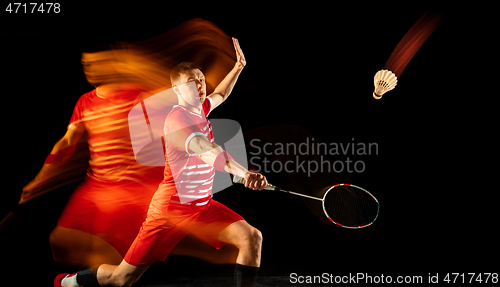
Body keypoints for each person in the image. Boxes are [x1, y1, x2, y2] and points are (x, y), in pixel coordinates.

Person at [56, 38, 268, 287]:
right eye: (192, 82)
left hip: (201, 208)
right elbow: (207, 150)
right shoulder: (177, 121)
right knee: (121, 279)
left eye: (201, 79)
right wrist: (244, 173)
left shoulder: (201, 109)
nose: (200, 84)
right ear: (176, 90)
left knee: (251, 237)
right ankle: (72, 282)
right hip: (170, 211)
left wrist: (239, 67)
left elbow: (220, 94)